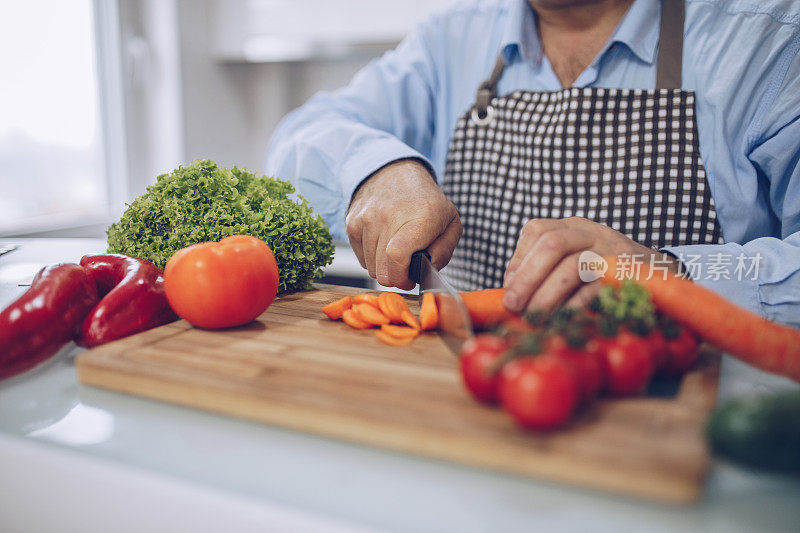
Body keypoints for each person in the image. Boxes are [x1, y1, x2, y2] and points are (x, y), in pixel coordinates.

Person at [266, 0, 800, 326]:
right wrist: (375, 171)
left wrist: (667, 275)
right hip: (470, 393)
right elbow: (301, 135)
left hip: (673, 412)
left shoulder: (770, 42)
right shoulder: (450, 38)